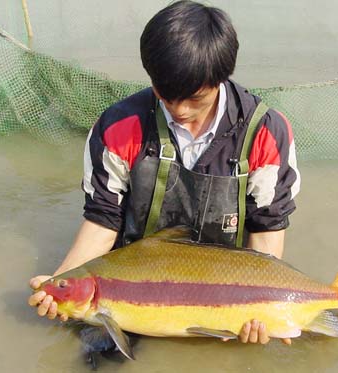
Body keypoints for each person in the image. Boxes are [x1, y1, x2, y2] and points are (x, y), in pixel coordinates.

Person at [28, 0, 300, 346]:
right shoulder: (117, 127)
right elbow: (102, 219)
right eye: (166, 96)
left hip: (223, 280)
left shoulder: (265, 132)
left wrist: (262, 308)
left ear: (220, 79)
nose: (180, 110)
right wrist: (62, 283)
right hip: (139, 272)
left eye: (194, 98)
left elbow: (267, 229)